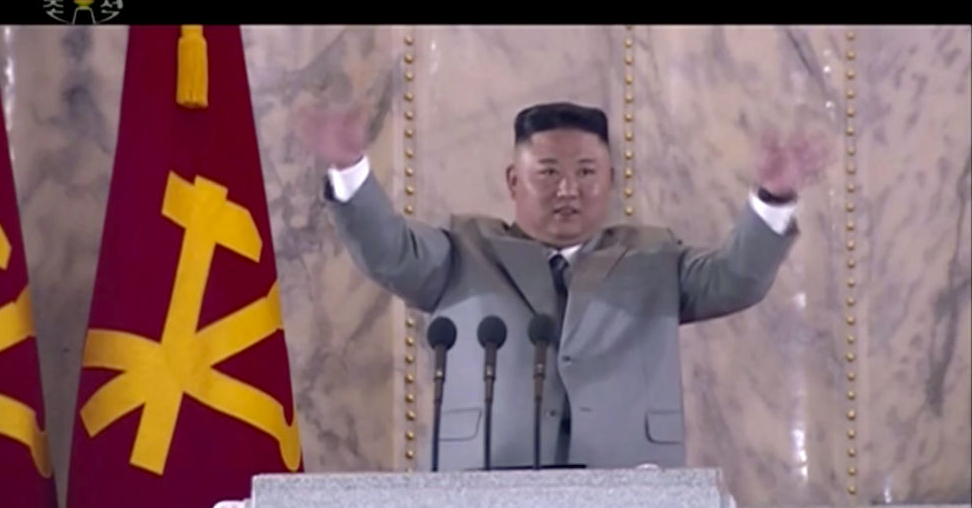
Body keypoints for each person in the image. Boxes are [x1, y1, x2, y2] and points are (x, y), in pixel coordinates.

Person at [301, 101, 827, 470]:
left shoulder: (653, 258)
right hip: (485, 483)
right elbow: (391, 251)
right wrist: (351, 171)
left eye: (586, 172)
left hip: (628, 483)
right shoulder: (464, 250)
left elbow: (734, 279)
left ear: (610, 180)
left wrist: (772, 200)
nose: (568, 189)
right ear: (514, 181)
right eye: (548, 172)